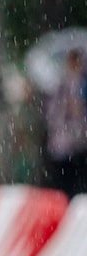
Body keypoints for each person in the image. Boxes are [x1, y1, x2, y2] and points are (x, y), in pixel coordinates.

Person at [44, 49, 87, 198]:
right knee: (65, 182)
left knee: (77, 182)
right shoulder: (61, 85)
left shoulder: (82, 83)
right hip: (64, 143)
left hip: (79, 142)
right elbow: (53, 114)